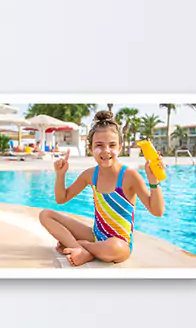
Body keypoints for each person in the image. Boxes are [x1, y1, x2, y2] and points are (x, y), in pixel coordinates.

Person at [37, 110, 165, 266]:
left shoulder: (129, 176)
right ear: (91, 149)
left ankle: (82, 247)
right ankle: (81, 249)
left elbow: (157, 211)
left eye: (112, 145)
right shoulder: (90, 175)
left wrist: (153, 181)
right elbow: (61, 198)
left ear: (119, 147)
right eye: (99, 145)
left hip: (120, 244)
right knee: (46, 215)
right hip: (95, 235)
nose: (106, 150)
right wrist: (60, 174)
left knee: (115, 248)